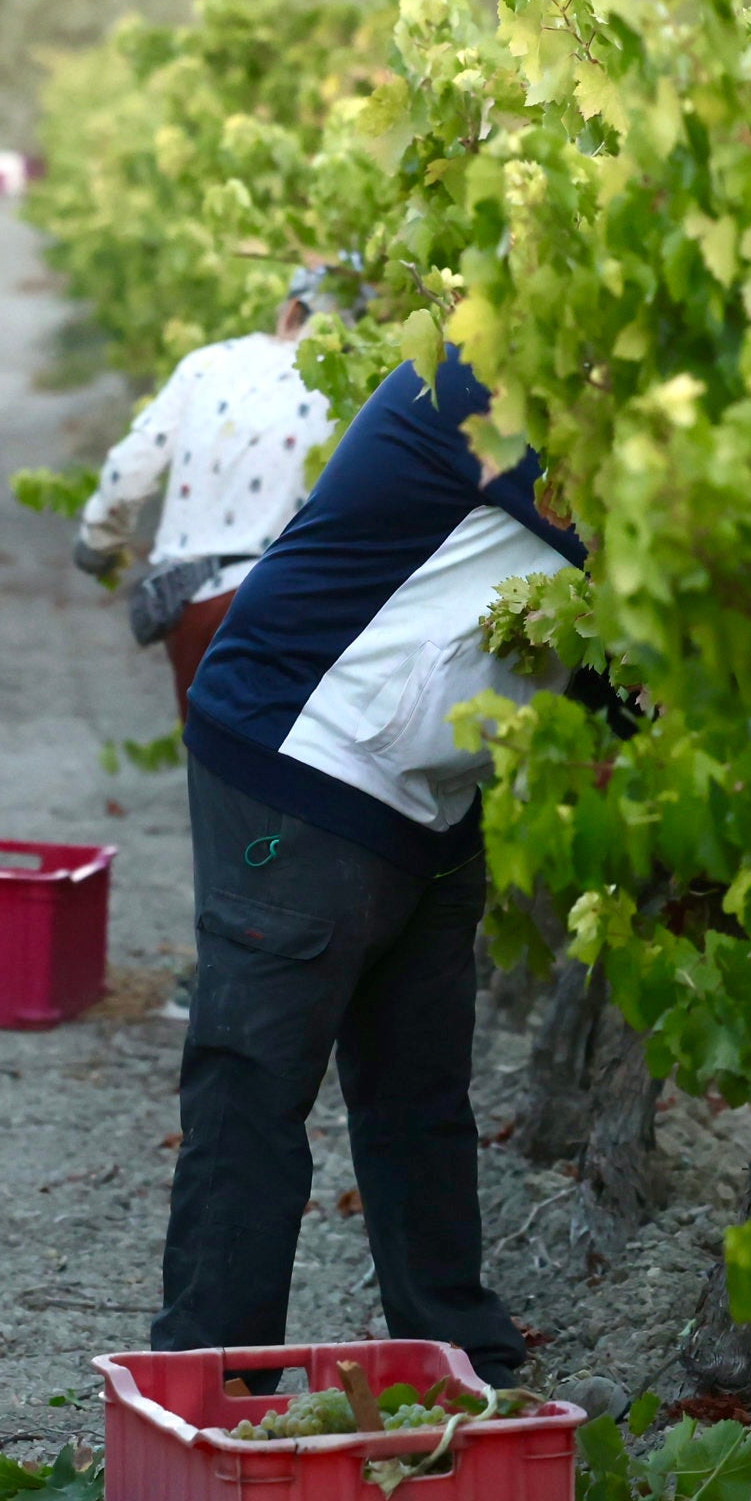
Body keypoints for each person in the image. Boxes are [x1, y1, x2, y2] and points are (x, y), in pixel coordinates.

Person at [152, 346, 588, 1387]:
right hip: (302, 754)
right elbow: (656, 562)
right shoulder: (497, 371)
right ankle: (211, 1387)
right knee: (255, 1082)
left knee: (417, 1088)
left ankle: (462, 1367)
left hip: (430, 782)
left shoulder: (603, 373)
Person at [69, 278, 333, 722]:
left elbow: (132, 465)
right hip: (299, 603)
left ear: (290, 311)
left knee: (210, 747)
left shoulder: (208, 363)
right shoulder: (363, 388)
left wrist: (98, 541)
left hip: (203, 601)